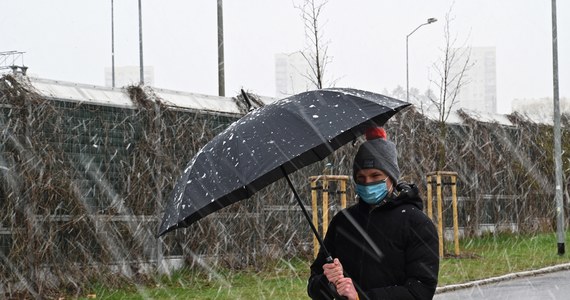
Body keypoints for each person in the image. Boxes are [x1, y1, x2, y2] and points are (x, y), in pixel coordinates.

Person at [307, 127, 439, 300]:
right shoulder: (343, 221)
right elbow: (313, 287)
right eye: (361, 178)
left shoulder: (417, 223)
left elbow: (420, 292)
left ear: (391, 177)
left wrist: (362, 297)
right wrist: (327, 282)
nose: (368, 183)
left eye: (375, 175)